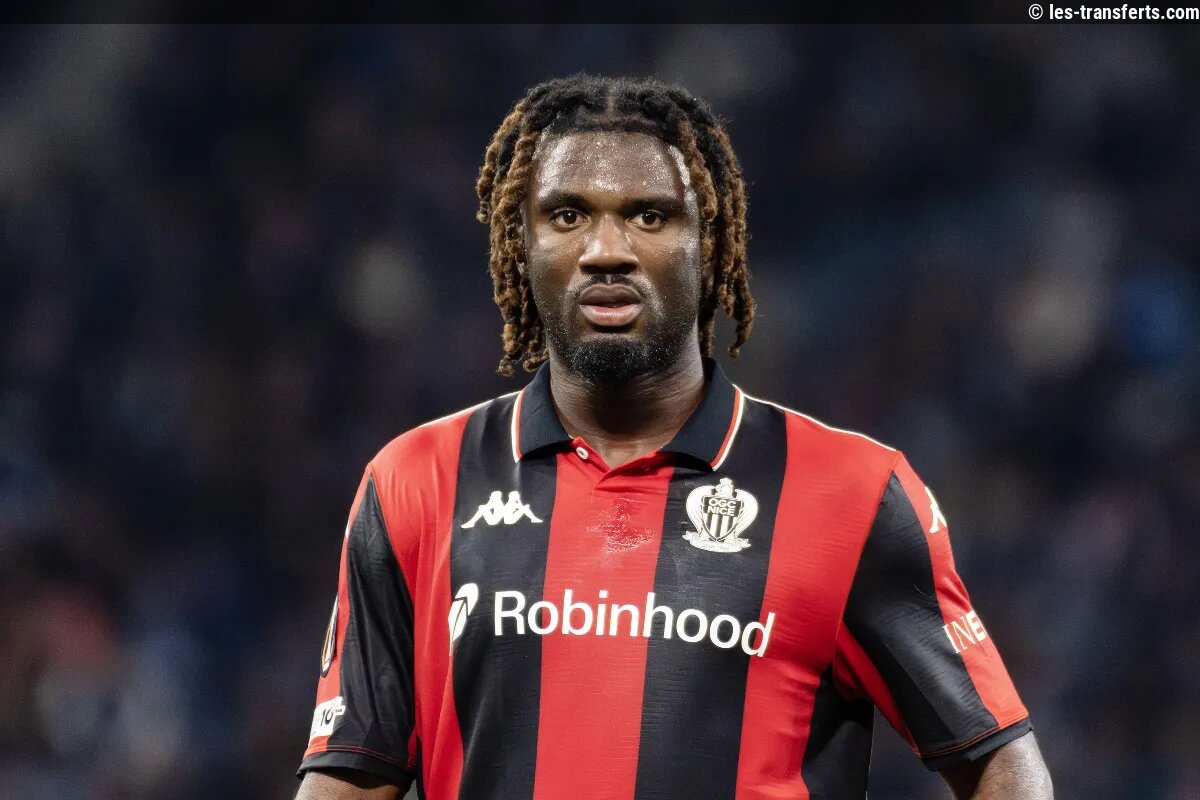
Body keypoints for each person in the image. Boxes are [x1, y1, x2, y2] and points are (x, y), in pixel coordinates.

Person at [294, 74, 1053, 800]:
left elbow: (1002, 766)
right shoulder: (416, 482)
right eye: (568, 215)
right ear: (519, 243)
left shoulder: (851, 493)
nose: (606, 249)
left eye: (649, 216)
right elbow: (351, 774)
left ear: (711, 241)